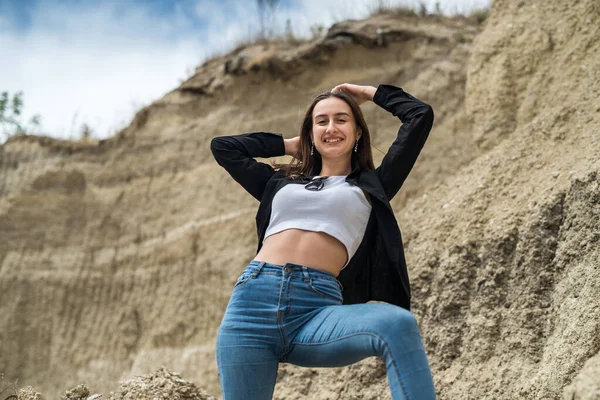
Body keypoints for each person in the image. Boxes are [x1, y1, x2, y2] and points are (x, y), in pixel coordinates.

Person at [210, 83, 436, 400]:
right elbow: (223, 147)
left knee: (396, 324)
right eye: (321, 121)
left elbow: (419, 115)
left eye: (342, 119)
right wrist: (292, 145)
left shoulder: (373, 185)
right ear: (310, 133)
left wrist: (369, 93)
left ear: (358, 132)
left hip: (314, 311)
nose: (331, 127)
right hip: (250, 310)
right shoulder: (279, 183)